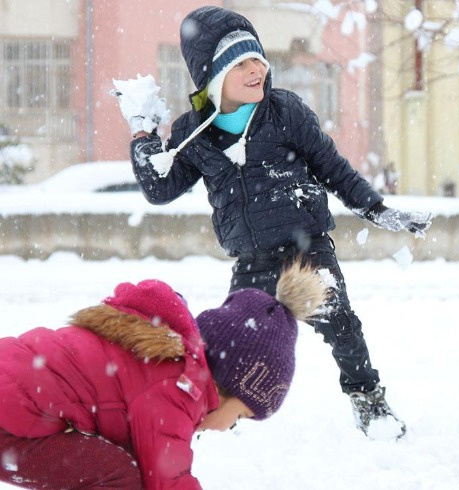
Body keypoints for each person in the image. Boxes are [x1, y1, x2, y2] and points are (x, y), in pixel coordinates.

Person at [113, 6, 432, 439]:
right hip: (252, 257)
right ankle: (211, 411)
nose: (255, 69)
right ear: (213, 76)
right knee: (227, 345)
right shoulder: (194, 132)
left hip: (306, 249)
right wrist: (143, 135)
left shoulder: (285, 112)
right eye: (240, 63)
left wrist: (377, 209)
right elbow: (160, 189)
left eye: (258, 58)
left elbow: (332, 168)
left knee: (342, 326)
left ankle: (369, 402)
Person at [0, 261, 326, 489]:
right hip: (9, 421)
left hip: (12, 400)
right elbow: (168, 481)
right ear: (228, 385)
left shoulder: (168, 364)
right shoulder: (179, 387)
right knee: (117, 477)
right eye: (240, 416)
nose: (229, 428)